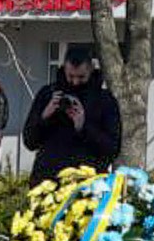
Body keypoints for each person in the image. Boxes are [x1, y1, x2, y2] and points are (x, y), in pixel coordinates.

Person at [22, 48, 121, 185]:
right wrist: (45, 116)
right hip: (48, 180)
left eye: (81, 77)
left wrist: (83, 126)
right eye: (70, 76)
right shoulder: (47, 94)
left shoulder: (105, 100)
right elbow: (29, 141)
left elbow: (112, 149)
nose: (75, 82)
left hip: (88, 184)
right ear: (64, 69)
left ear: (91, 70)